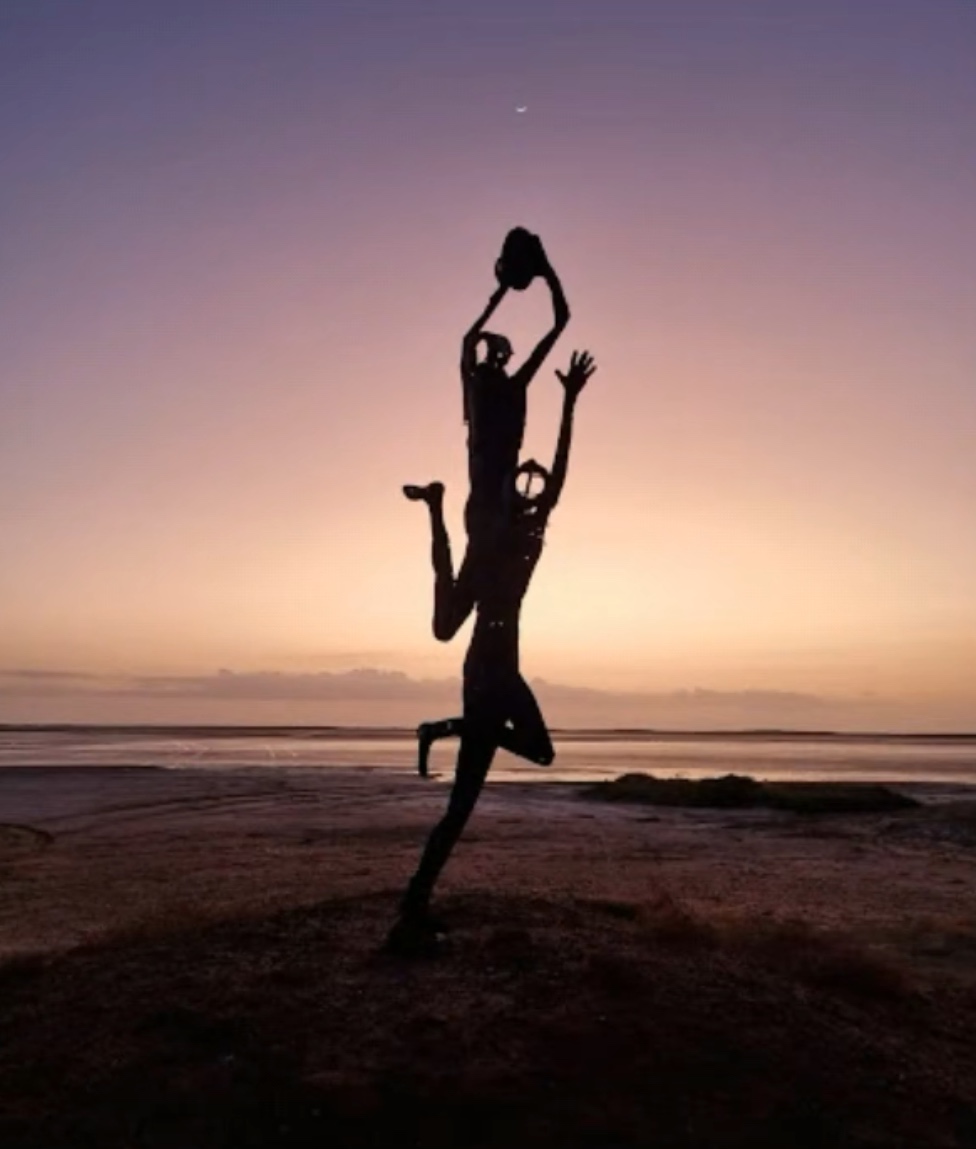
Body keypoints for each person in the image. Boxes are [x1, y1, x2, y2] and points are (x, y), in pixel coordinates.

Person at [388, 350, 596, 951]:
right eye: (521, 484)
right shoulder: (496, 547)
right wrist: (435, 513)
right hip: (485, 672)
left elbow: (557, 477)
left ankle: (442, 727)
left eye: (534, 487)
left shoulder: (530, 539)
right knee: (459, 807)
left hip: (507, 670)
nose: (532, 489)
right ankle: (413, 908)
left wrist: (570, 403)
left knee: (542, 751)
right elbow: (446, 616)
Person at [451, 235, 570, 615]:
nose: (486, 358)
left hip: (494, 510)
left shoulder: (493, 388)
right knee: (481, 611)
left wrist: (533, 275)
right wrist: (536, 274)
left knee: (489, 609)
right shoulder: (487, 389)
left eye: (492, 355)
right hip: (490, 510)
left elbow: (561, 322)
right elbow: (561, 320)